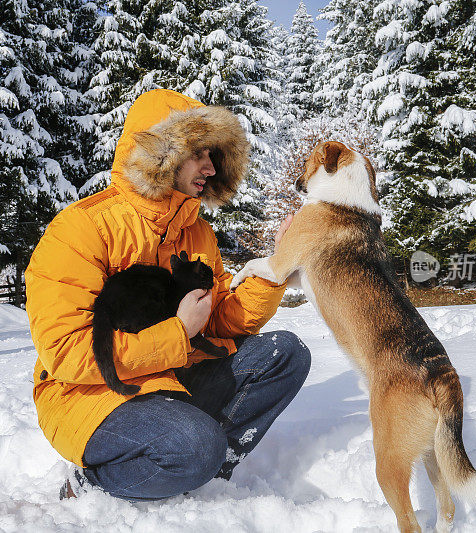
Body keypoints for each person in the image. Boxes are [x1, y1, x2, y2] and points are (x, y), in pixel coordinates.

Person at [26, 89, 311, 501]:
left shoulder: (197, 233)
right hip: (92, 390)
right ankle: (94, 482)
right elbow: (67, 353)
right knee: (195, 446)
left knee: (285, 353)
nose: (211, 168)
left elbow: (219, 321)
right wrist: (177, 334)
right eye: (200, 154)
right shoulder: (82, 228)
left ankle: (207, 468)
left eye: (214, 156)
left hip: (171, 374)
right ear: (163, 154)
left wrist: (274, 269)